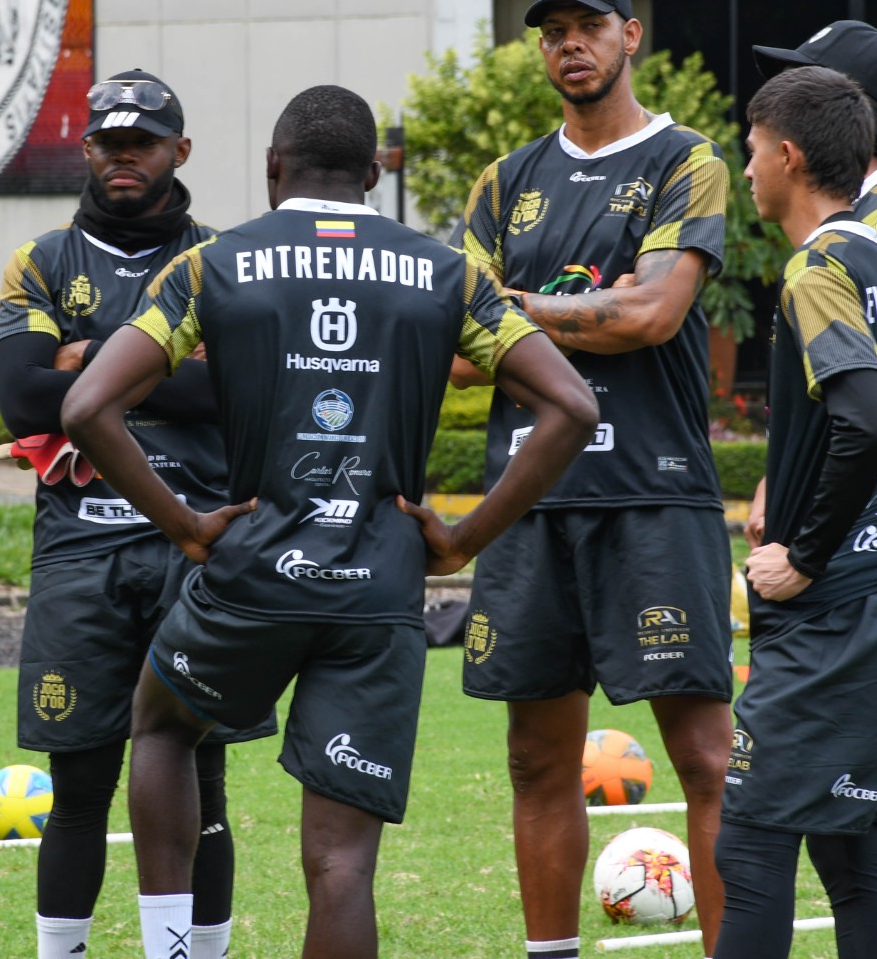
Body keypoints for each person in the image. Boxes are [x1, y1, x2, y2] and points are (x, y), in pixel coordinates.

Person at [61, 85, 601, 959]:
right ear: (378, 173)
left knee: (161, 725)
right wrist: (462, 540)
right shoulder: (447, 273)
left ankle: (169, 950)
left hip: (248, 581)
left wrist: (189, 528)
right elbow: (571, 407)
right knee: (343, 866)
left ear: (274, 170)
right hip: (380, 592)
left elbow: (88, 405)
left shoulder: (214, 265)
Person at [453, 0, 735, 958]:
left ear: (630, 37)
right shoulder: (505, 182)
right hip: (529, 497)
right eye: (551, 29)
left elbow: (653, 314)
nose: (569, 44)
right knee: (536, 758)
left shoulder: (686, 160)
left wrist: (516, 312)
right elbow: (454, 344)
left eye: (588, 25)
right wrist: (582, 311)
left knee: (704, 755)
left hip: (652, 495)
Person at [0, 69, 272, 959]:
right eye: (107, 142)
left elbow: (243, 391)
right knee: (77, 783)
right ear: (87, 150)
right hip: (79, 553)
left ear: (178, 152)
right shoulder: (42, 260)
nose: (123, 157)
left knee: (204, 773)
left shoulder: (223, 258)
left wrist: (91, 359)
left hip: (202, 547)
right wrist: (163, 371)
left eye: (141, 143)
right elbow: (21, 399)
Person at [717, 66, 877, 959]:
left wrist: (812, 553)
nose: (745, 169)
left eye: (751, 151)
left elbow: (867, 417)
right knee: (853, 847)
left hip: (831, 611)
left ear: (788, 156)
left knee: (750, 846)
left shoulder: (822, 266)